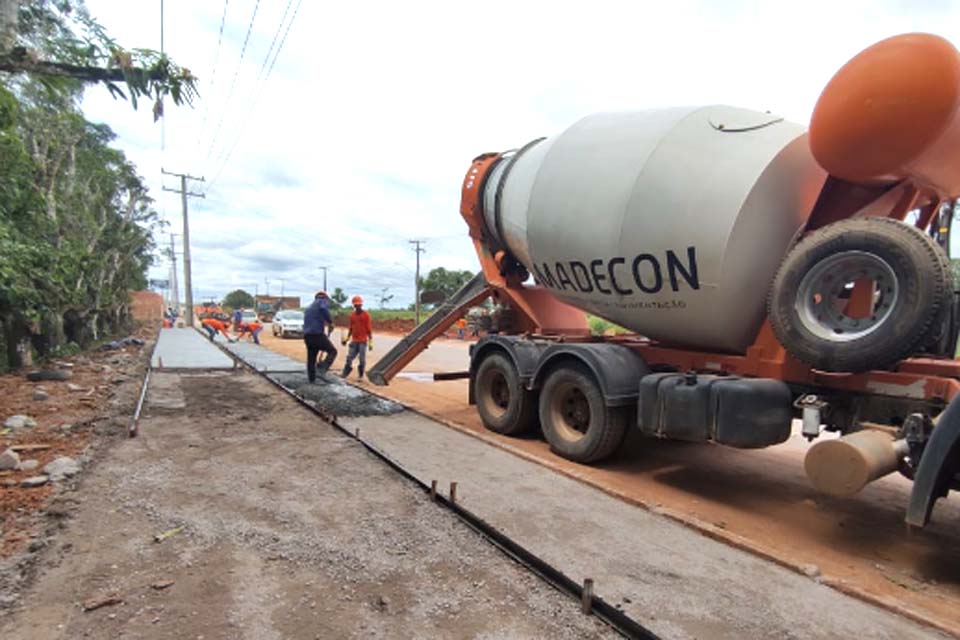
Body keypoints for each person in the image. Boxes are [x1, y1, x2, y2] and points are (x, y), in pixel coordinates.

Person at [303, 290, 337, 382]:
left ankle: (311, 380)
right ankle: (322, 369)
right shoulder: (322, 301)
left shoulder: (309, 307)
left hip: (307, 336)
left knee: (311, 359)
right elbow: (323, 309)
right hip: (317, 335)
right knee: (332, 351)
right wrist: (331, 322)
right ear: (324, 297)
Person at [340, 295, 373, 380]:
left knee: (362, 359)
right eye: (356, 305)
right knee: (349, 357)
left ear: (361, 305)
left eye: (359, 305)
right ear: (354, 305)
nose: (358, 306)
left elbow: (369, 329)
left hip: (362, 341)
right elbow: (351, 329)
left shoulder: (366, 315)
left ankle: (360, 375)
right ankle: (345, 373)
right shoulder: (352, 315)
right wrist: (346, 340)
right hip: (354, 341)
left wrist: (371, 343)